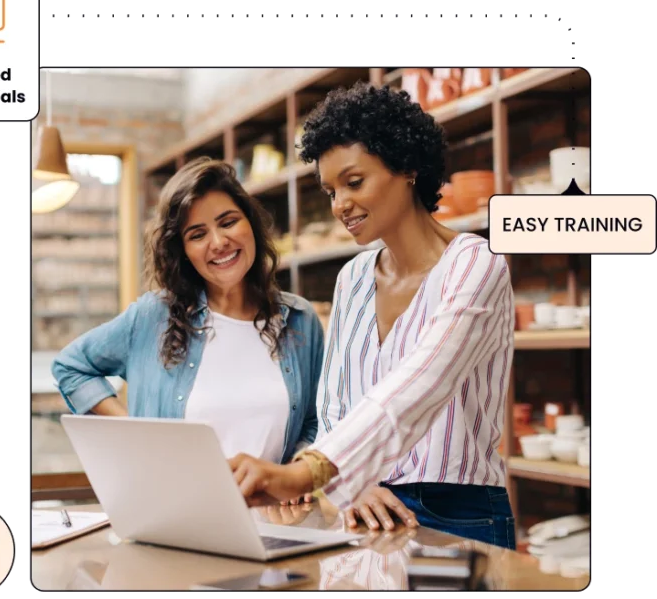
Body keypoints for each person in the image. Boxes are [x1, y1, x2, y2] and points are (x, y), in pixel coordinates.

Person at [229, 81, 516, 549]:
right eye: (329, 190)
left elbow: (421, 385)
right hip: (365, 507)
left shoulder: (475, 264)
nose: (340, 204)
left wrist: (307, 473)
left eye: (354, 182)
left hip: (459, 513)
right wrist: (353, 485)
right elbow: (335, 405)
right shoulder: (354, 277)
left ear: (406, 168)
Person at [52, 157, 325, 497]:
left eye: (228, 222)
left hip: (273, 527)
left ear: (250, 224)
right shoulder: (154, 316)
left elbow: (316, 421)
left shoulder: (300, 320)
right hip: (174, 513)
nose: (219, 242)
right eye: (197, 234)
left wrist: (292, 478)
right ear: (183, 250)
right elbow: (71, 367)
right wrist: (133, 431)